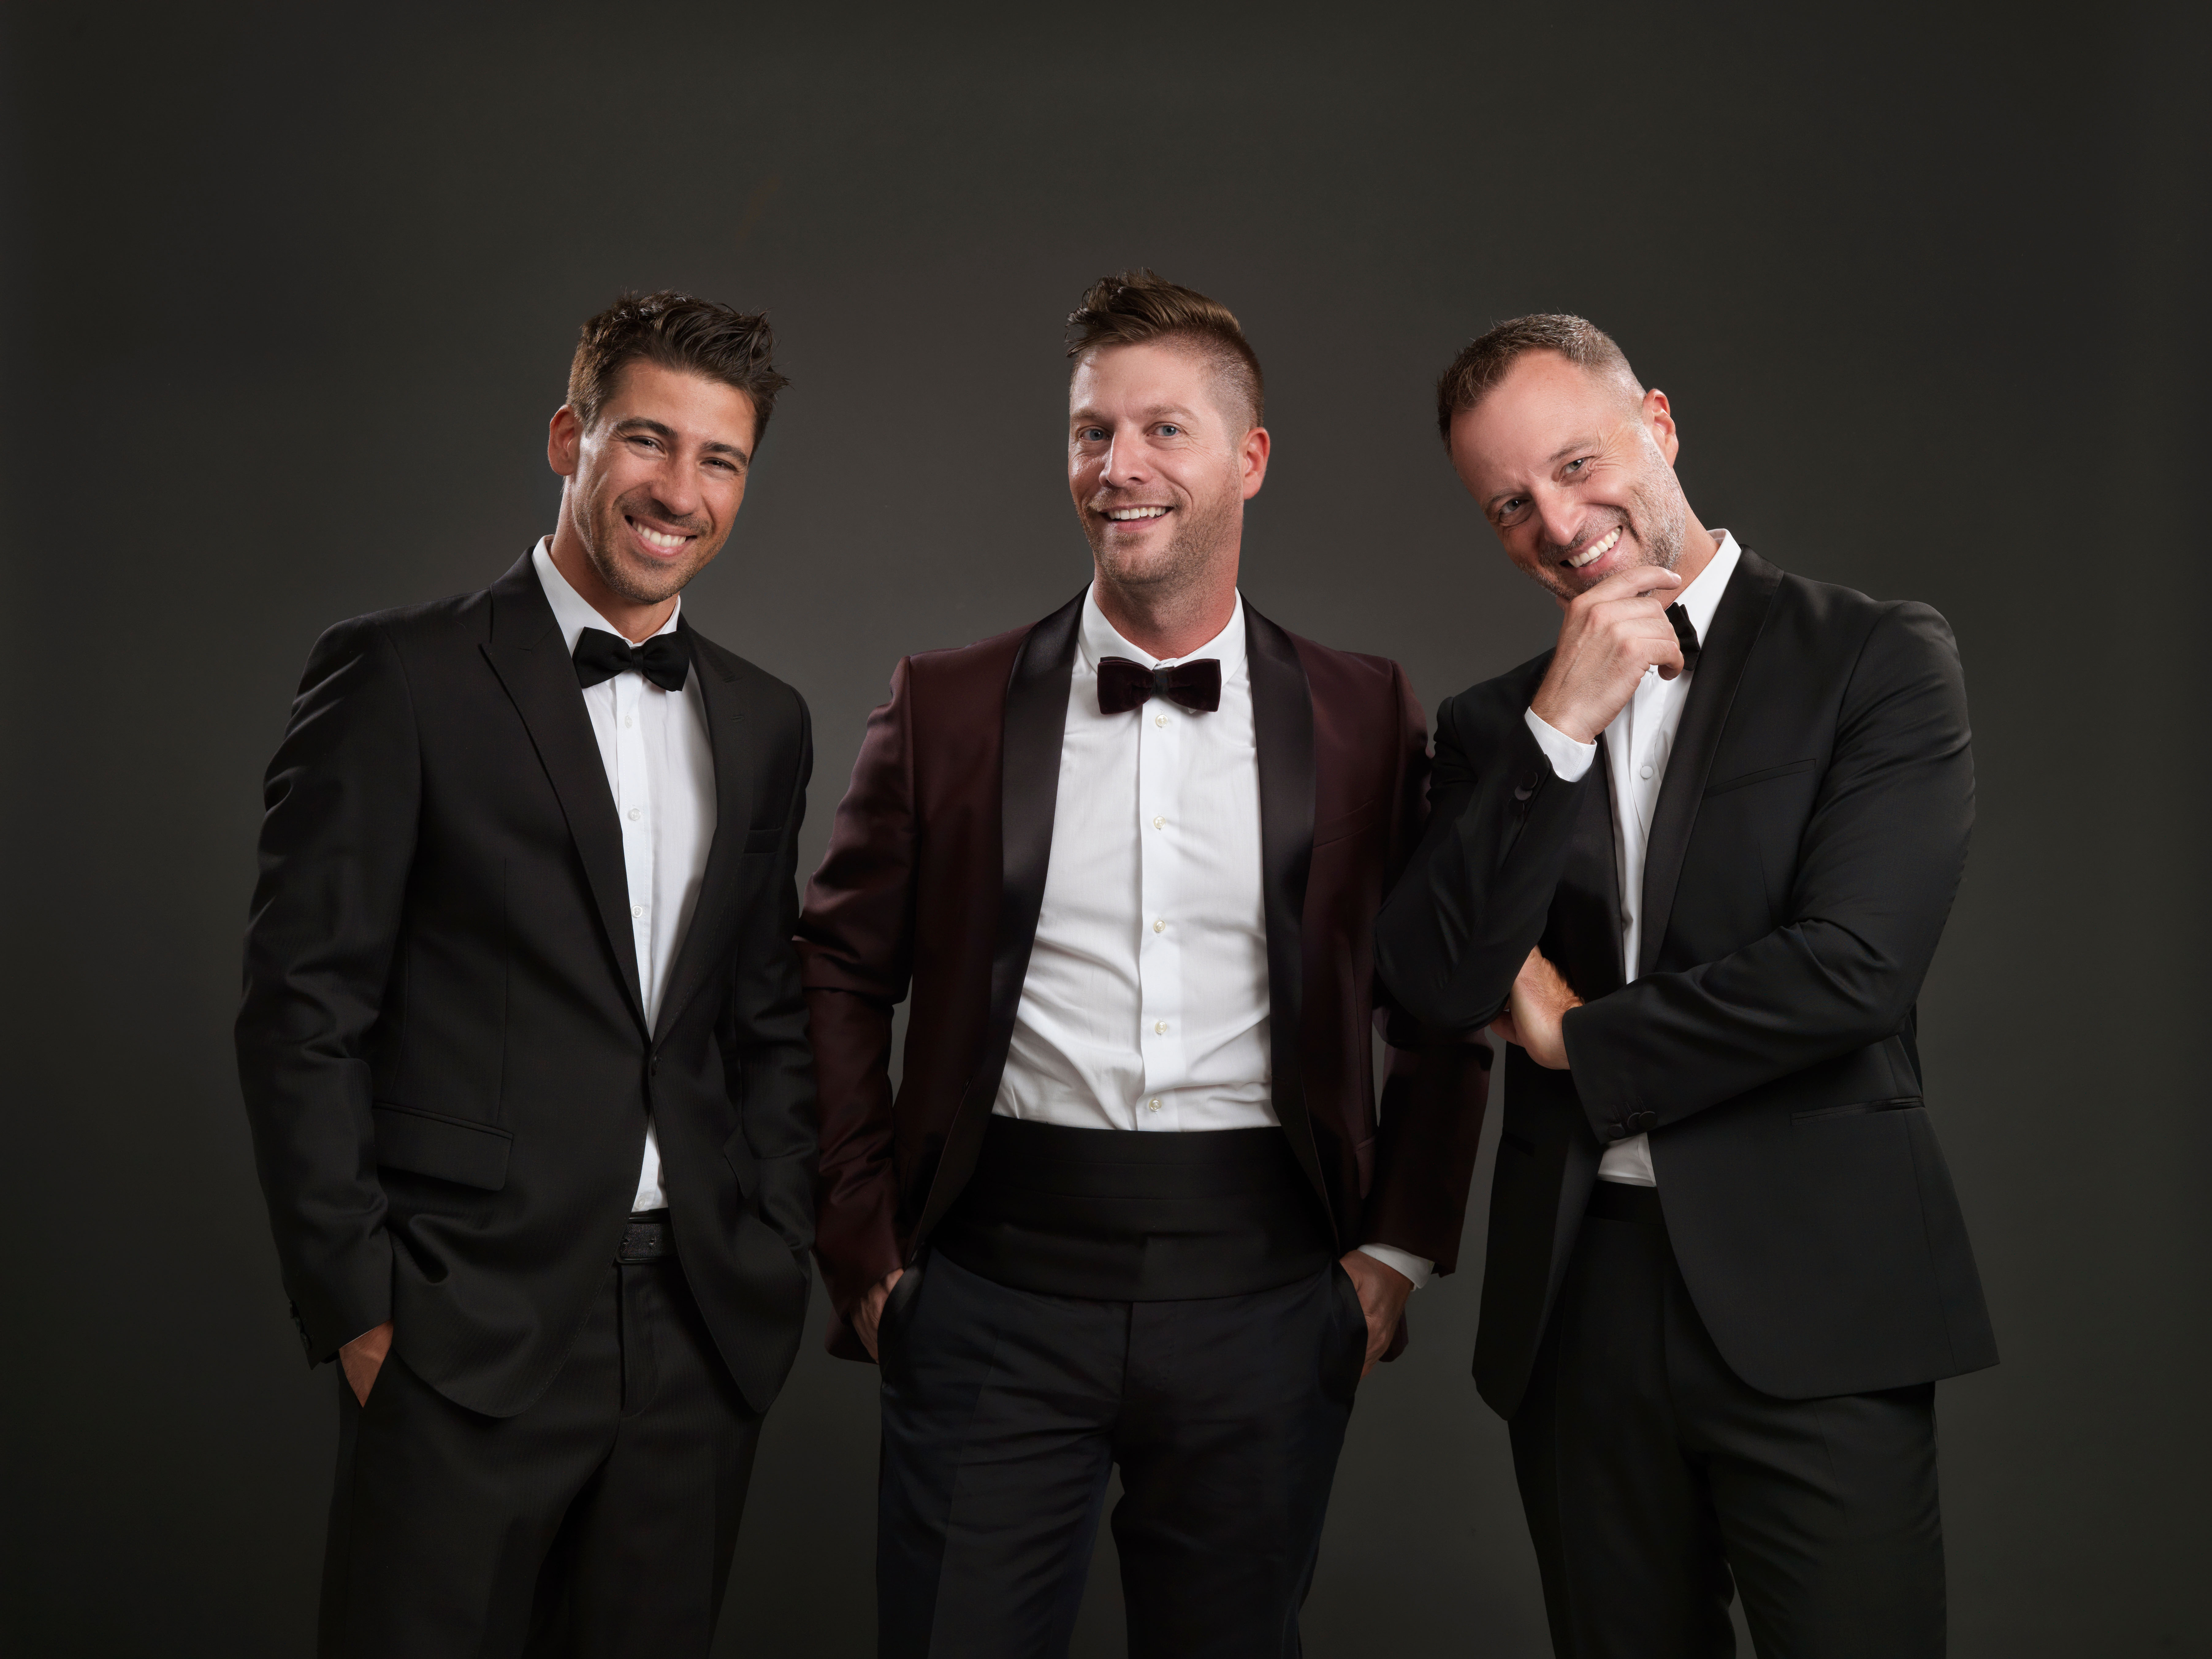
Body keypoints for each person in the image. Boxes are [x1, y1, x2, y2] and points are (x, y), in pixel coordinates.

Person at [798, 271, 1491, 1657]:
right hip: (990, 1288)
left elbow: (1442, 990)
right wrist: (865, 1246)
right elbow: (834, 972)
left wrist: (1396, 1252)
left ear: (1250, 459)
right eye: (1091, 432)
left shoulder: (1365, 710)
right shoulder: (946, 704)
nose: (1118, 466)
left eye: (1164, 430)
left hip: (1269, 1293)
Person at [1375, 314, 1996, 1657]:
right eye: (1509, 504)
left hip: (1819, 1293)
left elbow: (1851, 969)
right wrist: (1560, 726)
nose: (1558, 523)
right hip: (1577, 1302)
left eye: (1576, 464)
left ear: (1656, 424)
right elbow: (1430, 983)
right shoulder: (1495, 729)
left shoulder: (1877, 657)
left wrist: (1578, 1039)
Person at [236, 291, 817, 1657]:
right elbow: (302, 1007)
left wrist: (776, 1235)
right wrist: (361, 1308)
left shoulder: (765, 719)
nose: (680, 492)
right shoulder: (399, 675)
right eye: (647, 440)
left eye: (720, 459)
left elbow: (764, 1015)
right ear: (570, 438)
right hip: (459, 1325)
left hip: (696, 1329)